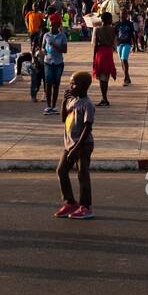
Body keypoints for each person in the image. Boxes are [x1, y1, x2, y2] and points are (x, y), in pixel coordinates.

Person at [54, 71, 96, 220]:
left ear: (84, 86)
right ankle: (70, 202)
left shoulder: (88, 105)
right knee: (61, 170)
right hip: (69, 145)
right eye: (70, 83)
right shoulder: (72, 100)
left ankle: (86, 207)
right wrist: (64, 101)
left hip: (83, 145)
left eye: (74, 83)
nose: (70, 86)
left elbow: (87, 128)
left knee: (82, 174)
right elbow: (63, 118)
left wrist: (77, 148)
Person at [91, 11, 118, 106]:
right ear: (107, 20)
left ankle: (104, 98)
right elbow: (115, 42)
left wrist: (94, 57)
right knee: (105, 77)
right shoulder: (113, 29)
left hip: (100, 53)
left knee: (102, 77)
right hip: (108, 53)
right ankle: (104, 98)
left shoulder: (98, 30)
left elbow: (95, 44)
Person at [42, 19, 69, 114]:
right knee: (48, 83)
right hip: (48, 62)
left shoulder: (62, 36)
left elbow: (65, 50)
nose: (51, 27)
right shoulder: (46, 35)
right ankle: (48, 106)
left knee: (56, 84)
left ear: (58, 25)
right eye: (50, 24)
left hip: (58, 63)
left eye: (53, 25)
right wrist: (44, 51)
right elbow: (43, 46)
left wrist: (55, 45)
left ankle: (54, 106)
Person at [114, 10, 136, 85]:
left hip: (127, 43)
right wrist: (114, 45)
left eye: (125, 14)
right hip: (119, 44)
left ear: (127, 15)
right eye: (122, 14)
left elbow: (133, 35)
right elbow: (114, 35)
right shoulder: (117, 24)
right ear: (119, 15)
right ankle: (127, 77)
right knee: (122, 62)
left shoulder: (130, 24)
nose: (123, 15)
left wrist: (134, 46)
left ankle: (125, 79)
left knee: (124, 59)